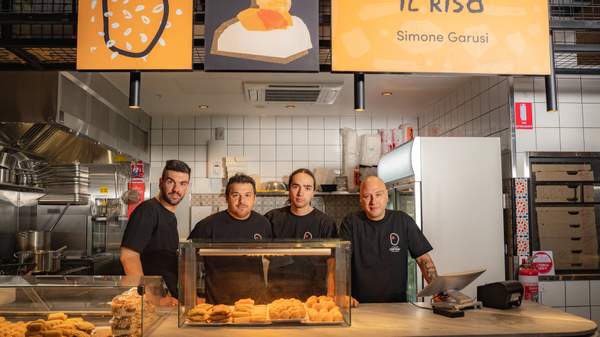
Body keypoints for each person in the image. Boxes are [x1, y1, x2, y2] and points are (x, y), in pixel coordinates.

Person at [340, 176, 438, 305]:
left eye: (378, 194)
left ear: (387, 196)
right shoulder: (351, 222)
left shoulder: (403, 221)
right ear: (360, 199)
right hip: (359, 305)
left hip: (397, 305)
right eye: (367, 196)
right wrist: (341, 295)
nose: (373, 201)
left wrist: (438, 291)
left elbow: (423, 259)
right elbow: (340, 263)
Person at [189, 173, 272, 304]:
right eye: (235, 195)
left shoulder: (263, 223)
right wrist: (191, 296)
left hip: (256, 302)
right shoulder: (207, 225)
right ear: (227, 198)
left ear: (254, 198)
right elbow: (187, 260)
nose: (242, 201)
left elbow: (271, 256)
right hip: (218, 302)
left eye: (247, 195)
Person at [120, 160, 191, 305]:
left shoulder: (169, 215)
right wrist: (151, 297)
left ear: (187, 187)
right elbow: (128, 257)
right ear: (161, 182)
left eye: (182, 183)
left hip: (167, 300)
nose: (176, 189)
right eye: (171, 182)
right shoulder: (147, 212)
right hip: (153, 303)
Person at [265, 168, 337, 299]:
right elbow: (262, 258)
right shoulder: (272, 218)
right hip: (277, 294)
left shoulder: (325, 223)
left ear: (313, 192)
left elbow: (331, 263)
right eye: (295, 186)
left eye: (307, 188)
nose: (300, 193)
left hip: (314, 295)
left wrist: (331, 294)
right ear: (289, 190)